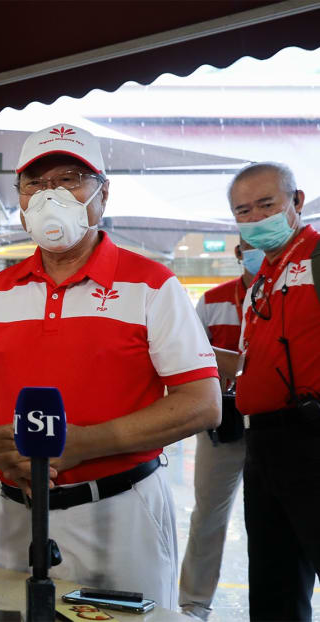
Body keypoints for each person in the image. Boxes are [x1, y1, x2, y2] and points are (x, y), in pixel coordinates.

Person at [0, 123, 221, 608]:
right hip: (14, 513)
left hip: (119, 511)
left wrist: (86, 443)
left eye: (70, 179)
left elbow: (202, 404)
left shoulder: (152, 286)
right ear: (20, 198)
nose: (52, 196)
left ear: (103, 194)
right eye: (35, 183)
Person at [214, 162, 320, 622]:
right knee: (274, 583)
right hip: (262, 444)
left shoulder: (316, 257)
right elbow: (260, 364)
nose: (255, 218)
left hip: (312, 438)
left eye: (266, 205)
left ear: (296, 202)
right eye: (243, 210)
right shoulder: (262, 277)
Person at [179, 239, 260, 620]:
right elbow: (189, 355)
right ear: (239, 254)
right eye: (248, 246)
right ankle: (194, 604)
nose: (256, 252)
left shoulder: (295, 294)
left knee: (277, 519)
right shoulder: (212, 301)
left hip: (278, 427)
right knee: (208, 515)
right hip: (224, 425)